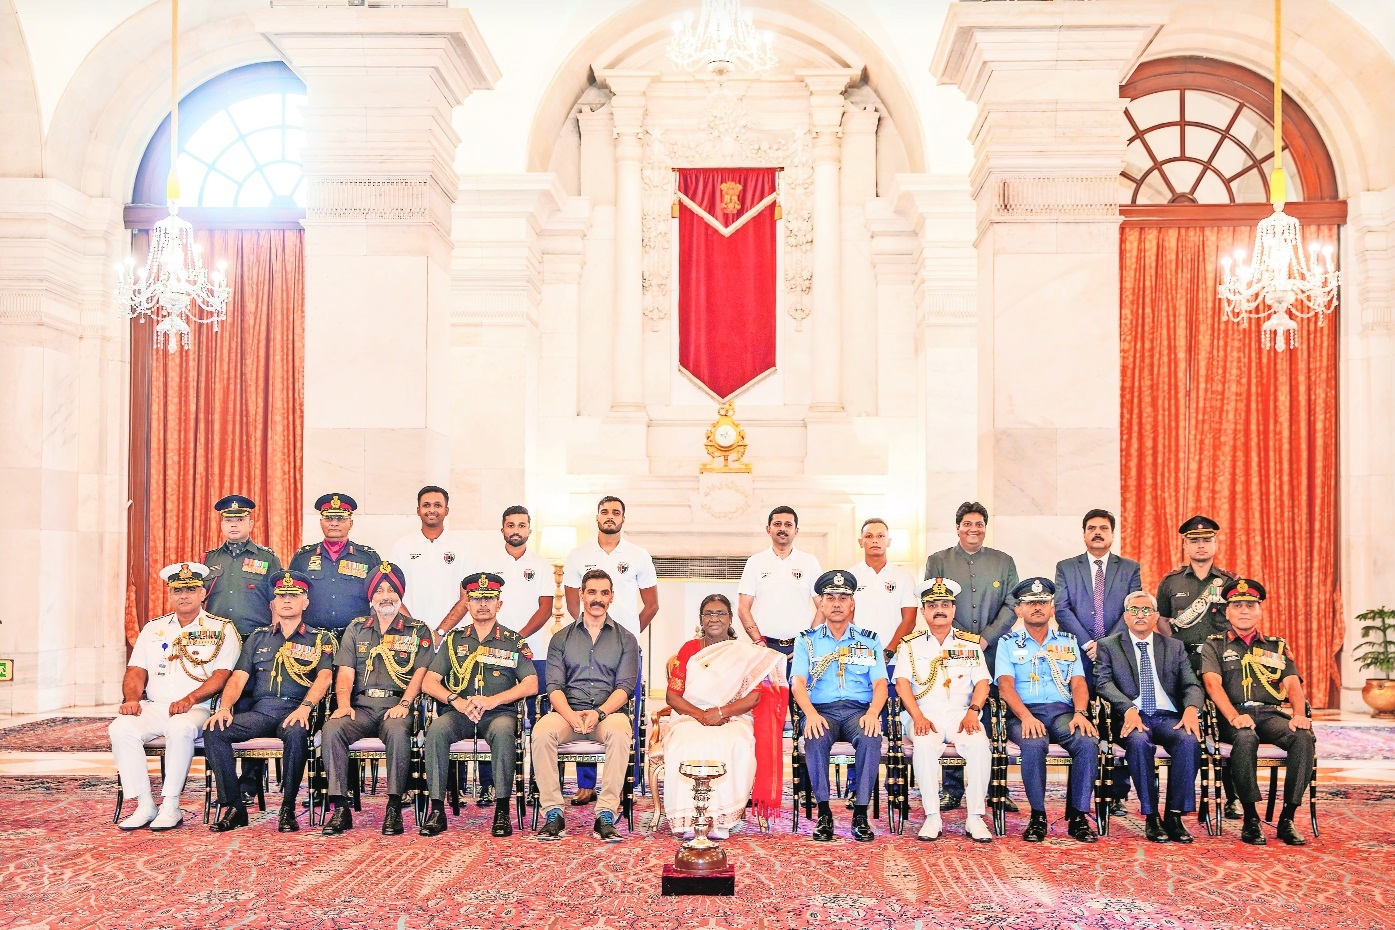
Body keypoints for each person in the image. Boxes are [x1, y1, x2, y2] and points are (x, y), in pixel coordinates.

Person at [436, 505, 554, 806]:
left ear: (529, 529)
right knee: (478, 706)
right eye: (510, 524)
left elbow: (545, 608)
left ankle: (526, 787)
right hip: (484, 642)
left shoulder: (540, 565)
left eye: (522, 524)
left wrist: (513, 640)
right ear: (502, 529)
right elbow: (467, 601)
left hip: (528, 651)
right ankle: (486, 786)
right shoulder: (485, 563)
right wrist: (441, 631)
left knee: (519, 721)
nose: (516, 529)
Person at [109, 562, 241, 831]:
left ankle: (171, 805)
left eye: (191, 589)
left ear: (203, 593)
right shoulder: (153, 629)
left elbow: (222, 674)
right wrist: (131, 699)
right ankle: (145, 804)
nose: (184, 595)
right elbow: (136, 670)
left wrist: (190, 699)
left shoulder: (222, 629)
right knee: (120, 728)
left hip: (198, 707)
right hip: (156, 706)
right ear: (169, 595)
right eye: (178, 590)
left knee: (180, 728)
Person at [204, 570, 335, 833]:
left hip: (295, 710)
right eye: (281, 596)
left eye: (294, 596)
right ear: (273, 603)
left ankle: (287, 809)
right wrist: (225, 708)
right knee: (214, 730)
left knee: (297, 734)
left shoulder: (320, 638)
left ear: (305, 602)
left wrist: (305, 708)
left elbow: (324, 677)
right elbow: (239, 678)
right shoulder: (257, 638)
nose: (287, 600)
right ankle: (234, 808)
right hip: (262, 711)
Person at [419, 573, 538, 838]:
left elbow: (531, 684)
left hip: (498, 714)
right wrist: (457, 701)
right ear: (468, 604)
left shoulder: (513, 642)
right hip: (460, 713)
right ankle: (437, 810)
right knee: (437, 730)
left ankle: (502, 811)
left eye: (488, 598)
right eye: (475, 599)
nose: (482, 604)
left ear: (499, 604)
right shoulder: (454, 640)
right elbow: (429, 682)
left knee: (505, 734)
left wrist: (493, 700)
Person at [320, 562, 434, 837]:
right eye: (380, 590)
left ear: (401, 595)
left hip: (396, 706)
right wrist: (344, 705)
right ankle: (340, 808)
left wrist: (405, 704)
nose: (386, 596)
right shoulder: (357, 629)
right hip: (360, 707)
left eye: (392, 590)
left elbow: (420, 673)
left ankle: (394, 806)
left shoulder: (418, 630)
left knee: (397, 731)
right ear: (371, 597)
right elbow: (345, 673)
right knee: (332, 729)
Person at [1199, 578, 1315, 847]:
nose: (1244, 611)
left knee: (1302, 737)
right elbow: (1212, 686)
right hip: (1233, 716)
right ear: (1227, 611)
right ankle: (1251, 819)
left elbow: (1293, 686)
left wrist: (1299, 714)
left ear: (1259, 610)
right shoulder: (1214, 645)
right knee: (1245, 737)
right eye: (1237, 605)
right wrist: (1233, 717)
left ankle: (1287, 818)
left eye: (1250, 606)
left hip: (1269, 714)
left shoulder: (1276, 646)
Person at [661, 595, 787, 840]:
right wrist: (701, 715)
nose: (714, 619)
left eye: (720, 613)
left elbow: (753, 698)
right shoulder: (689, 649)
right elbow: (672, 696)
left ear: (730, 619)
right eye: (708, 614)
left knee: (736, 743)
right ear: (701, 620)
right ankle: (688, 819)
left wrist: (720, 713)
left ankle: (722, 820)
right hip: (690, 715)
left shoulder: (744, 653)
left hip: (733, 715)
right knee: (683, 743)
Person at [922, 501, 1019, 812]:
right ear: (958, 527)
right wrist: (963, 638)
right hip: (950, 651)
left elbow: (1012, 604)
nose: (973, 529)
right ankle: (952, 789)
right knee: (952, 708)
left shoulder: (1003, 562)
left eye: (978, 523)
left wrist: (985, 638)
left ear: (985, 527)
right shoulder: (938, 561)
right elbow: (935, 602)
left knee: (991, 716)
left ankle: (995, 790)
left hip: (992, 651)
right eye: (967, 524)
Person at [562, 497, 656, 806]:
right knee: (583, 704)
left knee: (627, 713)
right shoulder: (579, 555)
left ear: (623, 519)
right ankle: (587, 785)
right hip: (584, 648)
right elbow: (572, 601)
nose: (610, 517)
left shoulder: (639, 556)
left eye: (616, 512)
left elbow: (652, 605)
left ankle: (629, 783)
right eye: (605, 511)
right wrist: (586, 632)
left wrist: (623, 639)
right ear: (597, 517)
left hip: (623, 652)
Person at [533, 569, 639, 842]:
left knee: (619, 731)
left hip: (608, 713)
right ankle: (553, 812)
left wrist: (599, 712)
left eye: (604, 593)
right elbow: (553, 687)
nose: (597, 598)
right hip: (567, 712)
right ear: (581, 595)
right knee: (542, 731)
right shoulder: (561, 638)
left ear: (611, 597)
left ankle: (605, 814)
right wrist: (570, 716)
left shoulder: (626, 639)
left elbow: (625, 688)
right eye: (591, 592)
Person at [1052, 508, 1142, 815]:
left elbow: (1132, 610)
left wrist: (1106, 646)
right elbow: (1062, 610)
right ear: (1084, 533)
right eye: (1092, 528)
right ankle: (1083, 792)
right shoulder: (1066, 567)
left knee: (1120, 716)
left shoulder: (1130, 568)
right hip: (1078, 656)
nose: (1098, 532)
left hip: (1117, 655)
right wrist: (1089, 644)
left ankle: (1117, 791)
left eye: (1104, 528)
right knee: (1083, 719)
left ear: (1113, 534)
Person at [995, 577, 1099, 843]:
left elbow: (1078, 682)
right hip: (1024, 712)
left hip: (1062, 713)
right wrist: (1026, 717)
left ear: (1052, 608)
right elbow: (1006, 686)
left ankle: (1077, 816)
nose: (1037, 607)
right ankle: (1038, 816)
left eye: (1043, 602)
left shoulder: (1068, 641)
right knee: (1033, 742)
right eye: (1030, 603)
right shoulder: (1007, 643)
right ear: (1019, 610)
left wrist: (1080, 713)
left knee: (1087, 741)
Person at [1094, 591, 1202, 843]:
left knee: (1189, 739)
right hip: (1132, 716)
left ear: (1155, 616)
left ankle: (1174, 815)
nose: (1140, 615)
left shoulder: (1173, 646)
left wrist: (1191, 709)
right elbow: (1102, 683)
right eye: (1134, 610)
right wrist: (1128, 708)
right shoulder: (1109, 645)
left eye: (1146, 611)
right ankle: (1152, 815)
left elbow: (1191, 684)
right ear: (1125, 616)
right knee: (1139, 742)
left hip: (1167, 715)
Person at [893, 577, 992, 843]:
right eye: (933, 604)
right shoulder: (910, 645)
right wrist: (918, 717)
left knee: (979, 744)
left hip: (962, 713)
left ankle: (975, 817)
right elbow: (902, 684)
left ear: (954, 609)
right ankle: (932, 816)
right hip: (924, 712)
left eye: (945, 604)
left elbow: (982, 683)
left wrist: (973, 711)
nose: (940, 609)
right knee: (924, 745)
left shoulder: (969, 644)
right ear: (923, 611)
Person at [791, 570, 886, 843]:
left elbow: (880, 683)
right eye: (830, 597)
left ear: (852, 603)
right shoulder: (806, 640)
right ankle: (824, 813)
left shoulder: (869, 640)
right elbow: (797, 682)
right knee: (814, 736)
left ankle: (860, 813)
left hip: (858, 710)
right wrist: (809, 715)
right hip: (822, 711)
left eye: (843, 597)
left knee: (871, 736)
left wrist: (872, 714)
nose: (836, 603)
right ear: (820, 603)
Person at [203, 494, 283, 803]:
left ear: (251, 522)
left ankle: (250, 778)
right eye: (228, 520)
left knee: (253, 707)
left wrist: (278, 640)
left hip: (256, 641)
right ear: (221, 524)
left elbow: (278, 600)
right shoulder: (209, 560)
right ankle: (224, 772)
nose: (233, 524)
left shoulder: (267, 558)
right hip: (218, 645)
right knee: (223, 706)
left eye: (240, 519)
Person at [389, 486, 479, 641]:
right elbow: (392, 593)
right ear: (418, 510)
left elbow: (467, 597)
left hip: (452, 639)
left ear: (447, 510)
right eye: (426, 505)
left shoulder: (463, 547)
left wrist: (440, 632)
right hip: (410, 638)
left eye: (437, 505)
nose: (432, 510)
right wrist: (416, 630)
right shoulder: (401, 546)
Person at [737, 506, 822, 664]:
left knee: (800, 690)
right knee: (764, 690)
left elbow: (823, 607)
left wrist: (808, 643)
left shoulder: (810, 562)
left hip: (801, 648)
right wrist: (758, 642)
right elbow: (743, 608)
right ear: (768, 529)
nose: (783, 528)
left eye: (788, 525)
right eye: (777, 524)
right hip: (764, 648)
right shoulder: (755, 562)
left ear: (796, 530)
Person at [288, 493, 382, 633]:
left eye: (340, 518)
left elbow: (380, 597)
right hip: (312, 637)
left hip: (356, 637)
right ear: (321, 522)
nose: (334, 523)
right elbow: (290, 596)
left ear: (350, 523)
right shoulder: (303, 557)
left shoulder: (368, 557)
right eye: (329, 518)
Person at [1156, 515, 1236, 670]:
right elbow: (1161, 619)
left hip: (1222, 658)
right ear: (1185, 545)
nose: (1201, 545)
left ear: (1216, 544)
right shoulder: (1170, 581)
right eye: (1194, 541)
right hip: (1183, 660)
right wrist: (1174, 644)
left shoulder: (1230, 582)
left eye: (1206, 540)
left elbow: (1239, 619)